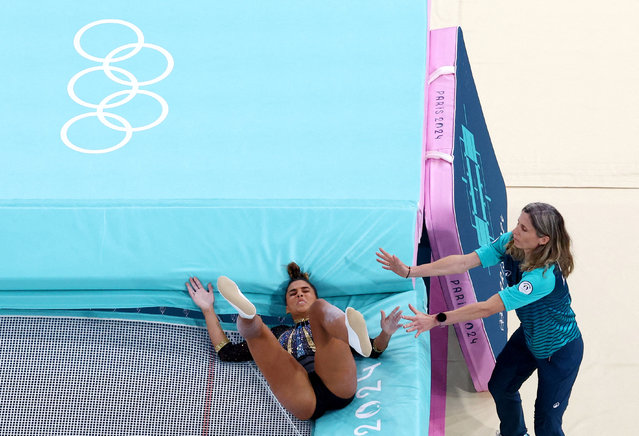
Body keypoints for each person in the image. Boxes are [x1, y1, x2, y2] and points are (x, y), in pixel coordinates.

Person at [376, 202, 583, 436]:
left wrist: (436, 319)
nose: (516, 231)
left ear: (543, 239)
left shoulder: (542, 278)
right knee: (501, 386)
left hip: (558, 351)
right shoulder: (511, 243)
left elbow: (486, 309)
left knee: (546, 422)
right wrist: (410, 271)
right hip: (530, 336)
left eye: (524, 229)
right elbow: (464, 262)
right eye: (518, 223)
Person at [186, 262, 402, 421]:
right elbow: (227, 352)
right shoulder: (279, 332)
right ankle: (247, 315)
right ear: (287, 308)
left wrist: (386, 333)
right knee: (259, 333)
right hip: (299, 393)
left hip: (336, 379)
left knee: (320, 311)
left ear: (313, 295)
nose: (300, 295)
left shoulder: (320, 312)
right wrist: (207, 309)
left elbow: (374, 349)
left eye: (305, 291)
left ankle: (351, 335)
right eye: (293, 293)